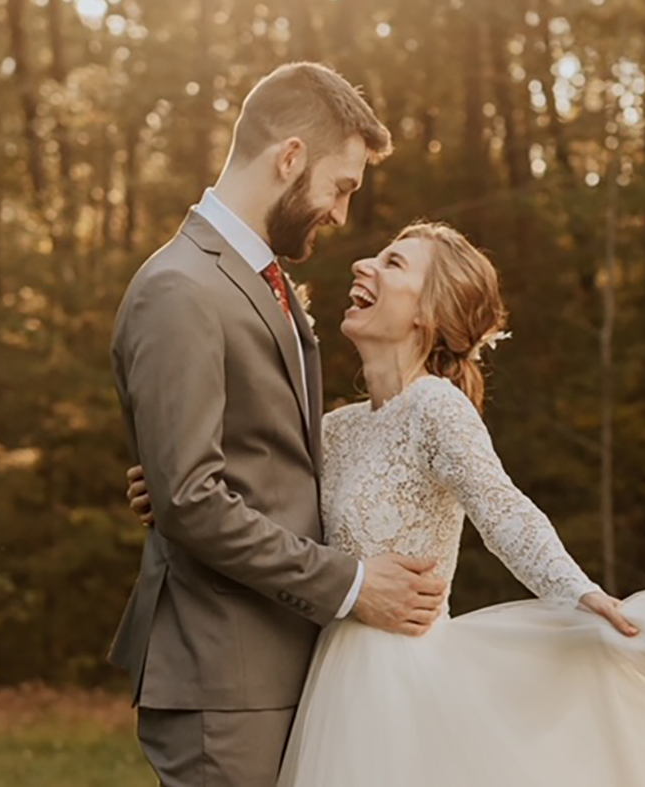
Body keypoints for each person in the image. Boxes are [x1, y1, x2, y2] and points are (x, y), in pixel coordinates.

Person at [127, 222, 645, 786]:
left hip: (407, 686)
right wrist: (170, 486)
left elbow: (506, 511)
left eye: (394, 264)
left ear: (429, 315)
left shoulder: (436, 408)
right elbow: (263, 501)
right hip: (333, 682)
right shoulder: (335, 427)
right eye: (375, 256)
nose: (362, 268)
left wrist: (580, 591)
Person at [107, 62, 449, 787]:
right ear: (290, 157)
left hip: (286, 662)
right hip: (227, 679)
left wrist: (173, 487)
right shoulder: (181, 289)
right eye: (342, 186)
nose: (341, 214)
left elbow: (255, 458)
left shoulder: (259, 279)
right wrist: (353, 583)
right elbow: (193, 500)